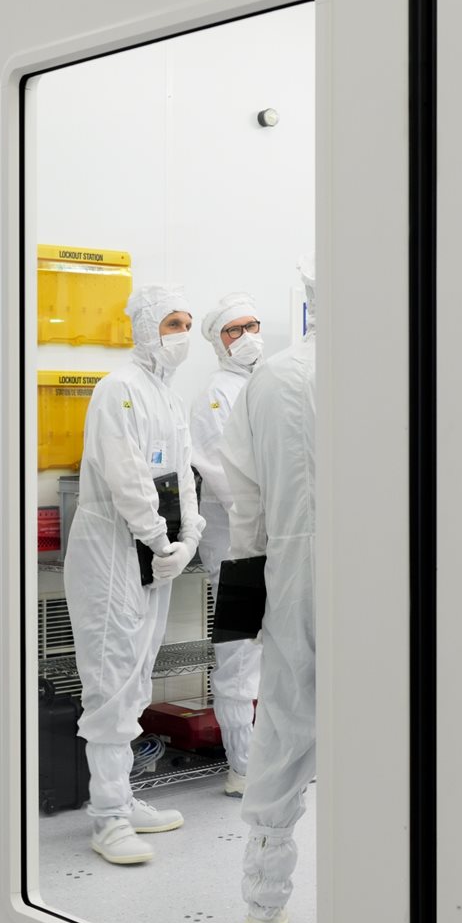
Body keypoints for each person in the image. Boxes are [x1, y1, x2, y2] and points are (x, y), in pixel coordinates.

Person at [65, 285, 200, 865]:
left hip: (154, 550)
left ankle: (124, 795)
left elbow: (182, 475)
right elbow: (127, 480)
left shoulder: (168, 396)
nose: (183, 335)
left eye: (189, 324)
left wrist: (187, 539)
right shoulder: (118, 389)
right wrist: (158, 536)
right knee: (111, 677)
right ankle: (108, 817)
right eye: (174, 323)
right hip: (113, 548)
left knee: (139, 673)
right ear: (146, 328)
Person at [220, 269, 317, 923]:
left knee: (283, 729)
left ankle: (263, 905)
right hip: (393, 580)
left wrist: (253, 587)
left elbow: (245, 502)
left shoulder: (273, 379)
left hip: (294, 575)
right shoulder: (408, 364)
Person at [190, 293, 265, 798]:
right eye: (233, 330)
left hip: (275, 541)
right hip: (239, 548)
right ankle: (242, 766)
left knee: (282, 655)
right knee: (240, 654)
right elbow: (226, 477)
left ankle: (273, 760)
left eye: (252, 326)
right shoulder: (215, 395)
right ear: (217, 342)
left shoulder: (270, 386)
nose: (246, 338)